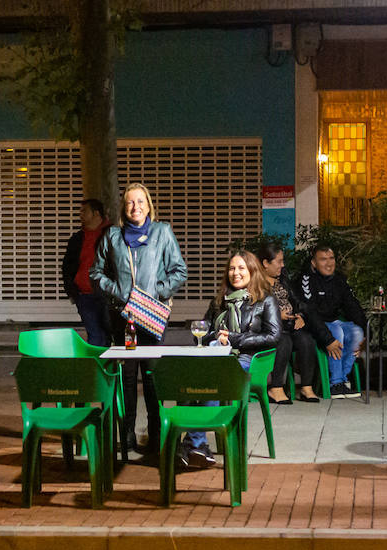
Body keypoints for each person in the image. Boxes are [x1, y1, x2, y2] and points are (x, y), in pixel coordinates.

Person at [90, 182, 187, 454]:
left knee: (153, 374)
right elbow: (95, 273)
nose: (136, 207)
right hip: (123, 317)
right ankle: (128, 434)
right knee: (127, 376)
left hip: (153, 315)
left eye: (141, 201)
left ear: (149, 205)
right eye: (131, 202)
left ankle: (157, 434)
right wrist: (118, 292)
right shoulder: (112, 236)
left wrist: (157, 291)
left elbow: (179, 270)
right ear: (124, 207)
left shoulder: (162, 232)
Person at [180, 251, 281, 466]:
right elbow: (204, 332)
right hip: (218, 358)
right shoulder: (219, 301)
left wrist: (234, 339)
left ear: (252, 271)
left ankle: (192, 443)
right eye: (232, 268)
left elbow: (273, 336)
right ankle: (197, 444)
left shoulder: (265, 300)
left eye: (242, 268)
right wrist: (217, 337)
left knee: (215, 375)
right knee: (189, 376)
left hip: (248, 360)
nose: (236, 273)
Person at [295, 244, 367, 398]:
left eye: (331, 258)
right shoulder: (306, 279)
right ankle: (335, 383)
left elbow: (353, 306)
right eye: (323, 259)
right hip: (312, 325)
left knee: (357, 332)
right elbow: (310, 312)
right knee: (336, 331)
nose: (328, 263)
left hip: (333, 322)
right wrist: (328, 339)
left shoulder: (339, 280)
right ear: (314, 263)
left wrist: (366, 335)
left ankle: (341, 379)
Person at [255, 240, 319, 403]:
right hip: (268, 329)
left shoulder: (283, 280)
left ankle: (306, 387)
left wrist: (299, 316)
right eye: (279, 261)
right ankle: (275, 388)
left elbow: (297, 302)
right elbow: (255, 311)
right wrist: (276, 316)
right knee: (284, 341)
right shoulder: (255, 284)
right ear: (265, 263)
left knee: (306, 340)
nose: (282, 265)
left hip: (290, 325)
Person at [62, 198, 112, 346]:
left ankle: (109, 366)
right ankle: (96, 366)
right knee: (95, 336)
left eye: (84, 211)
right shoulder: (77, 239)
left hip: (107, 295)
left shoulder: (111, 235)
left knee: (110, 334)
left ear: (96, 213)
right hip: (84, 296)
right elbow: (67, 266)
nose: (80, 215)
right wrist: (72, 292)